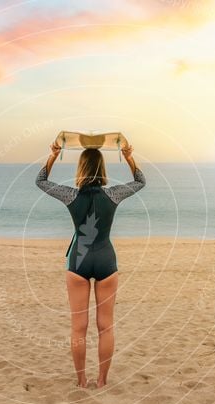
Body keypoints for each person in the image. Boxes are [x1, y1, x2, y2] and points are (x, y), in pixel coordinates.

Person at [36, 141, 146, 388]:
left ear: (81, 168)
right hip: (106, 260)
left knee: (79, 328)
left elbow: (40, 181)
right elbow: (141, 181)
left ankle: (81, 380)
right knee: (106, 327)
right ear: (102, 168)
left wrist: (53, 155)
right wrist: (129, 157)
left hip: (79, 262)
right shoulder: (114, 194)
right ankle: (103, 380)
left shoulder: (70, 195)